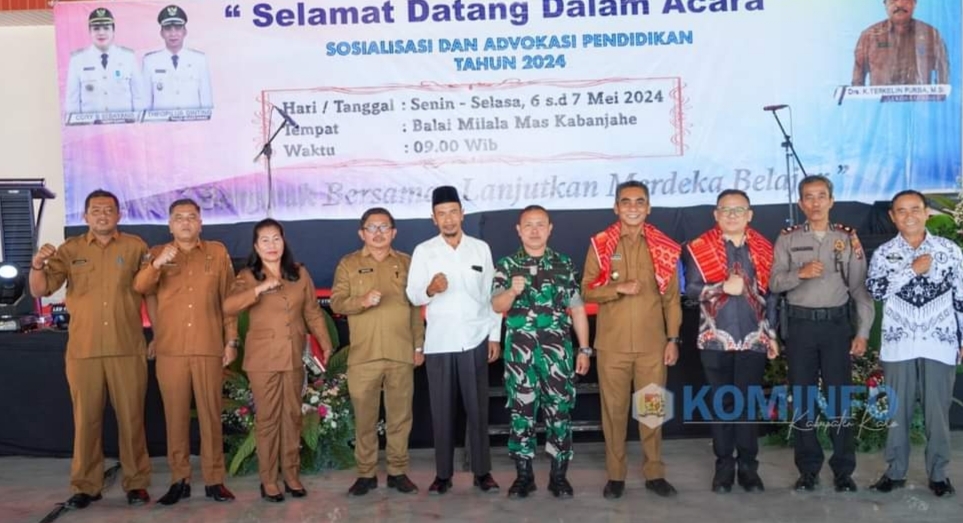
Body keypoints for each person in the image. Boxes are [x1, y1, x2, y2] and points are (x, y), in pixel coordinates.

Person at [28, 189, 151, 508]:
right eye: (95, 210)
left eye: (108, 210)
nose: (102, 215)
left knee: (132, 419)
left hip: (127, 347)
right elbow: (41, 289)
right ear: (85, 216)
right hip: (84, 350)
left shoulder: (136, 246)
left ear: (119, 215)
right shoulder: (71, 249)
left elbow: (150, 288)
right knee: (86, 421)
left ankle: (136, 483)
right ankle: (86, 485)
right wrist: (37, 265)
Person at [770, 175, 875, 492]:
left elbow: (859, 290)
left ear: (831, 200)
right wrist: (799, 274)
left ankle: (843, 471)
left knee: (838, 399)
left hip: (835, 327)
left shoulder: (847, 238)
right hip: (800, 327)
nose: (815, 203)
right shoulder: (788, 238)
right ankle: (808, 470)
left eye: (821, 196)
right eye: (808, 197)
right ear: (801, 203)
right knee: (803, 399)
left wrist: (863, 332)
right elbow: (774, 283)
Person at [582, 180, 682, 499]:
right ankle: (616, 476)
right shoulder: (601, 244)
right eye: (626, 202)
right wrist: (618, 288)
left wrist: (673, 339)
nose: (633, 207)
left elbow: (672, 300)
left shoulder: (664, 246)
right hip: (612, 347)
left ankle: (655, 473)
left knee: (652, 411)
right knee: (613, 413)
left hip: (652, 347)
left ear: (648, 208)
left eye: (640, 202)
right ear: (616, 208)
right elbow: (586, 291)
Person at [133, 198, 236, 505]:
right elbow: (141, 288)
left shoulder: (217, 252)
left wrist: (231, 340)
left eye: (192, 217)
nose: (186, 222)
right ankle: (180, 480)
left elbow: (229, 299)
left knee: (211, 415)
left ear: (200, 223)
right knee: (175, 417)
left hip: (208, 346)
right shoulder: (156, 253)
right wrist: (157, 264)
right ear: (170, 225)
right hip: (171, 348)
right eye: (179, 218)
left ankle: (215, 480)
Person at [223, 218, 334, 502]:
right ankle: (269, 480)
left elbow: (312, 312)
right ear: (256, 246)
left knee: (292, 417)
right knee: (268, 419)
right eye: (265, 240)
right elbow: (228, 307)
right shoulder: (248, 276)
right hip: (263, 359)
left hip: (294, 356)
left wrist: (325, 343)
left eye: (276, 239)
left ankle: (292, 475)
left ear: (284, 242)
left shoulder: (299, 273)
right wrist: (259, 290)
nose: (272, 245)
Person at [406, 186, 501, 495]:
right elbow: (413, 295)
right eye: (441, 214)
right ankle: (442, 474)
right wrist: (430, 289)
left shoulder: (480, 249)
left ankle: (482, 472)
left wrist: (494, 336)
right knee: (442, 412)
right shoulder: (424, 251)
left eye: (453, 212)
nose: (448, 219)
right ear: (433, 219)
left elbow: (492, 295)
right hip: (440, 343)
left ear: (462, 214)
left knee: (478, 410)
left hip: (475, 338)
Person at [866, 190, 961, 498]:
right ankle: (895, 472)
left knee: (937, 413)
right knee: (898, 412)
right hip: (899, 343)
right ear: (892, 216)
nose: (909, 216)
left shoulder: (949, 250)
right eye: (901, 211)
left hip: (940, 342)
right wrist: (911, 270)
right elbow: (876, 290)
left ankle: (939, 474)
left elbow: (961, 296)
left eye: (915, 209)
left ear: (927, 212)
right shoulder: (884, 253)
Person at [491, 205, 592, 499]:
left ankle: (559, 477)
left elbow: (577, 309)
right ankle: (524, 477)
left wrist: (584, 349)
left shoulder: (563, 264)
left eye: (540, 224)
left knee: (559, 412)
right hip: (520, 358)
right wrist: (512, 291)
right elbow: (496, 305)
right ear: (519, 230)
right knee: (521, 414)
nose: (534, 230)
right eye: (528, 225)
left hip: (557, 355)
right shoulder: (507, 265)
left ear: (549, 229)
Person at [683, 189, 778, 494]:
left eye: (739, 210)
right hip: (715, 339)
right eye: (726, 209)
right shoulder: (698, 248)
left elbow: (771, 296)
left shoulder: (764, 248)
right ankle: (724, 468)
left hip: (754, 338)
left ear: (750, 215)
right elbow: (691, 289)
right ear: (716, 214)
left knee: (748, 404)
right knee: (722, 404)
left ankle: (749, 468)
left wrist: (772, 335)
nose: (732, 215)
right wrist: (722, 287)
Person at [330, 207, 425, 496]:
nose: (379, 233)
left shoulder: (407, 263)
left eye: (384, 227)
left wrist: (418, 345)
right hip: (364, 356)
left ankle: (398, 472)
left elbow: (415, 309)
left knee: (400, 418)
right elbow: (336, 302)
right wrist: (361, 301)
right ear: (362, 233)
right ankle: (366, 474)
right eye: (372, 227)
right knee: (365, 420)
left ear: (394, 232)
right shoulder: (348, 263)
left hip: (400, 352)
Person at [64, 8, 144, 114]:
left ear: (113, 31)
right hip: (91, 124)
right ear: (90, 31)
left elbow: (139, 97)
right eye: (96, 28)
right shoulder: (77, 60)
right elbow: (72, 102)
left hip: (124, 123)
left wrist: (137, 122)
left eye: (106, 28)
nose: (101, 33)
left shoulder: (128, 57)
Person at [852, 0, 949, 86]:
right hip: (880, 101)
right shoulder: (869, 36)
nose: (900, 4)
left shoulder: (931, 35)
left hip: (919, 100)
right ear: (885, 4)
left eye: (906, 0)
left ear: (915, 3)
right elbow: (857, 80)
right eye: (893, 0)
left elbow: (943, 75)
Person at [142, 5, 213, 110]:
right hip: (161, 121)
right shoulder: (150, 62)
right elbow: (145, 104)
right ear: (161, 33)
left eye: (178, 28)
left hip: (193, 121)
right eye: (168, 28)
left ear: (185, 31)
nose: (173, 33)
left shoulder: (199, 60)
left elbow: (207, 103)